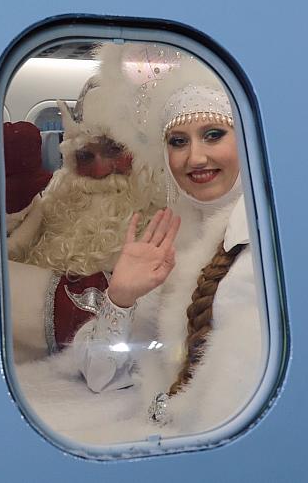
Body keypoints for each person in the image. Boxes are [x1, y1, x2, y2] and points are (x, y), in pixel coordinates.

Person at [71, 62, 263, 438]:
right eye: (178, 141)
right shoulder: (170, 238)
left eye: (213, 135)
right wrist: (121, 298)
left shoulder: (269, 240)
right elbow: (102, 375)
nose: (195, 157)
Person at [7, 45, 165, 362]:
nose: (101, 171)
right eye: (85, 157)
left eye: (115, 152)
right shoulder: (50, 205)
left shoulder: (162, 220)